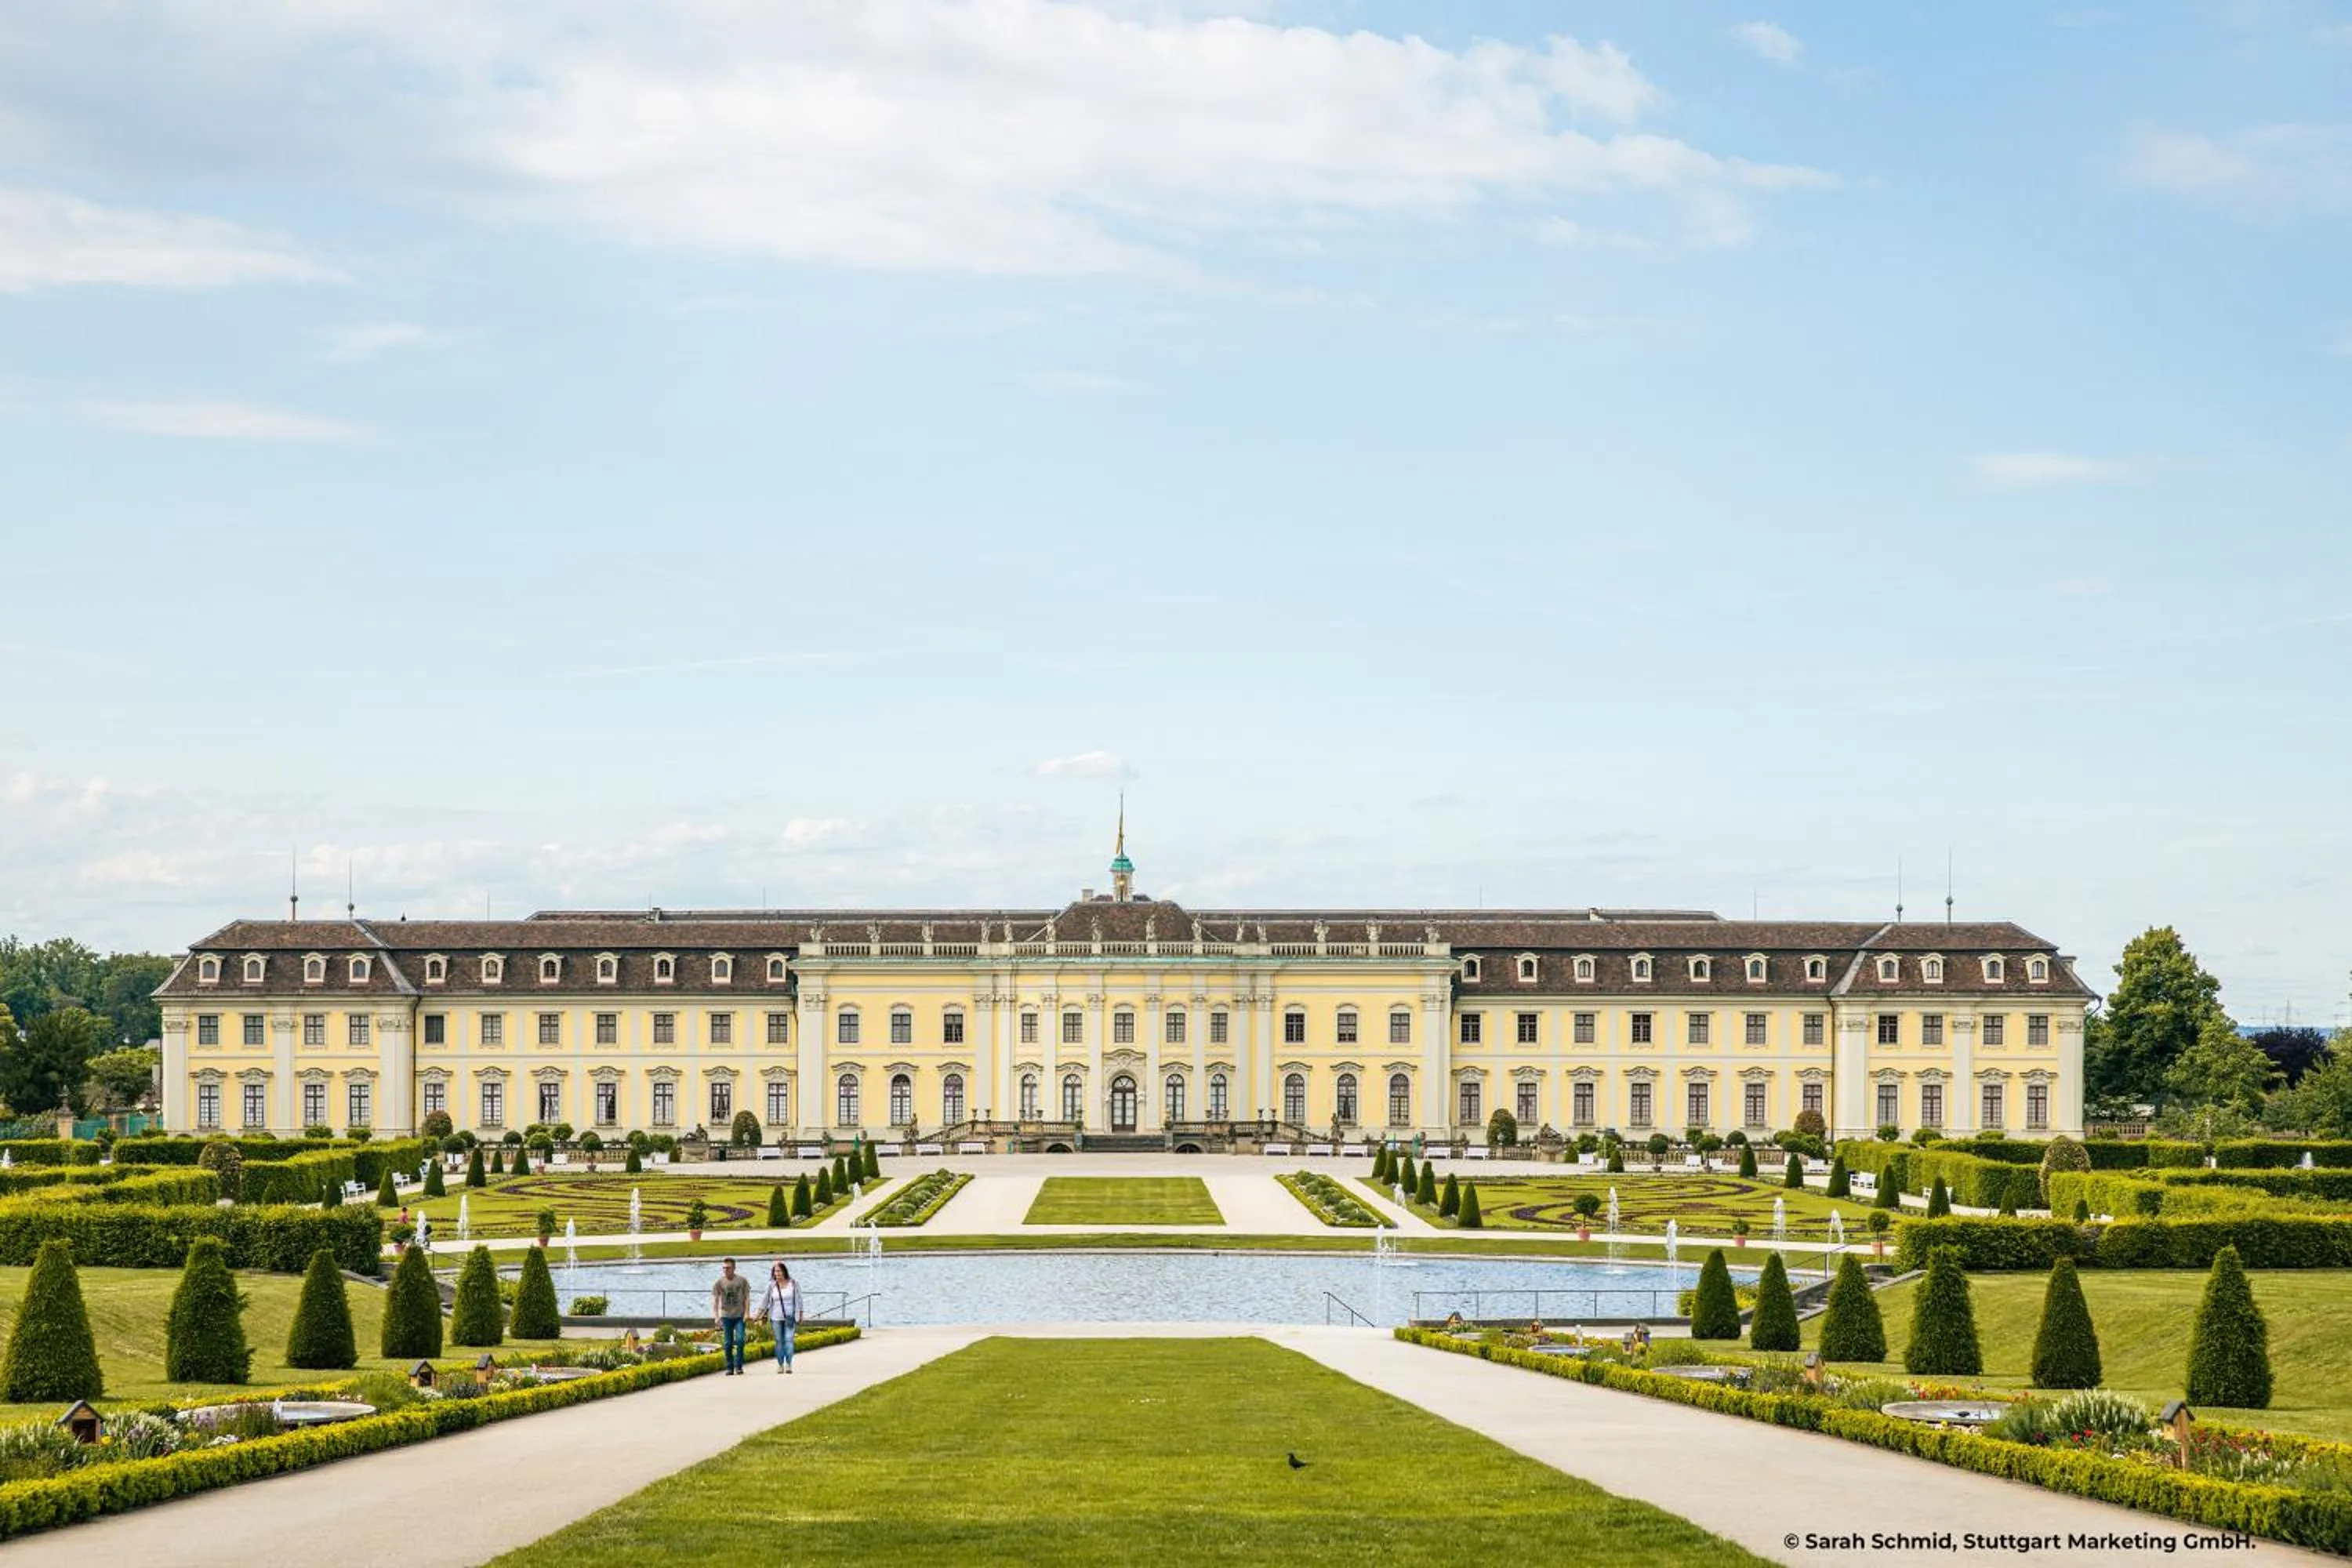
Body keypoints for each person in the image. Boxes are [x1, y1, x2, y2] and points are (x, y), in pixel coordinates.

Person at [759, 1261, 801, 1374]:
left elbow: (799, 1300)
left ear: (784, 1271)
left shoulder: (793, 1283)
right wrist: (758, 1315)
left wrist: (800, 1314)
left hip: (790, 1317)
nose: (777, 1274)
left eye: (779, 1271)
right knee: (779, 1341)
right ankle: (780, 1364)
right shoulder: (771, 1285)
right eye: (775, 1271)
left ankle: (789, 1364)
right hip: (776, 1318)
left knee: (789, 1340)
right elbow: (765, 1301)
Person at [710, 1258, 750, 1374]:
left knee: (740, 1340)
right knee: (728, 1343)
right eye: (723, 1268)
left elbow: (747, 1298)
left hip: (739, 1316)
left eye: (728, 1268)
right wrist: (716, 1316)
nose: (725, 1270)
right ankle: (729, 1367)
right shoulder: (719, 1283)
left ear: (734, 1268)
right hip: (726, 1316)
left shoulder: (742, 1281)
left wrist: (747, 1313)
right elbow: (715, 1300)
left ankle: (739, 1366)